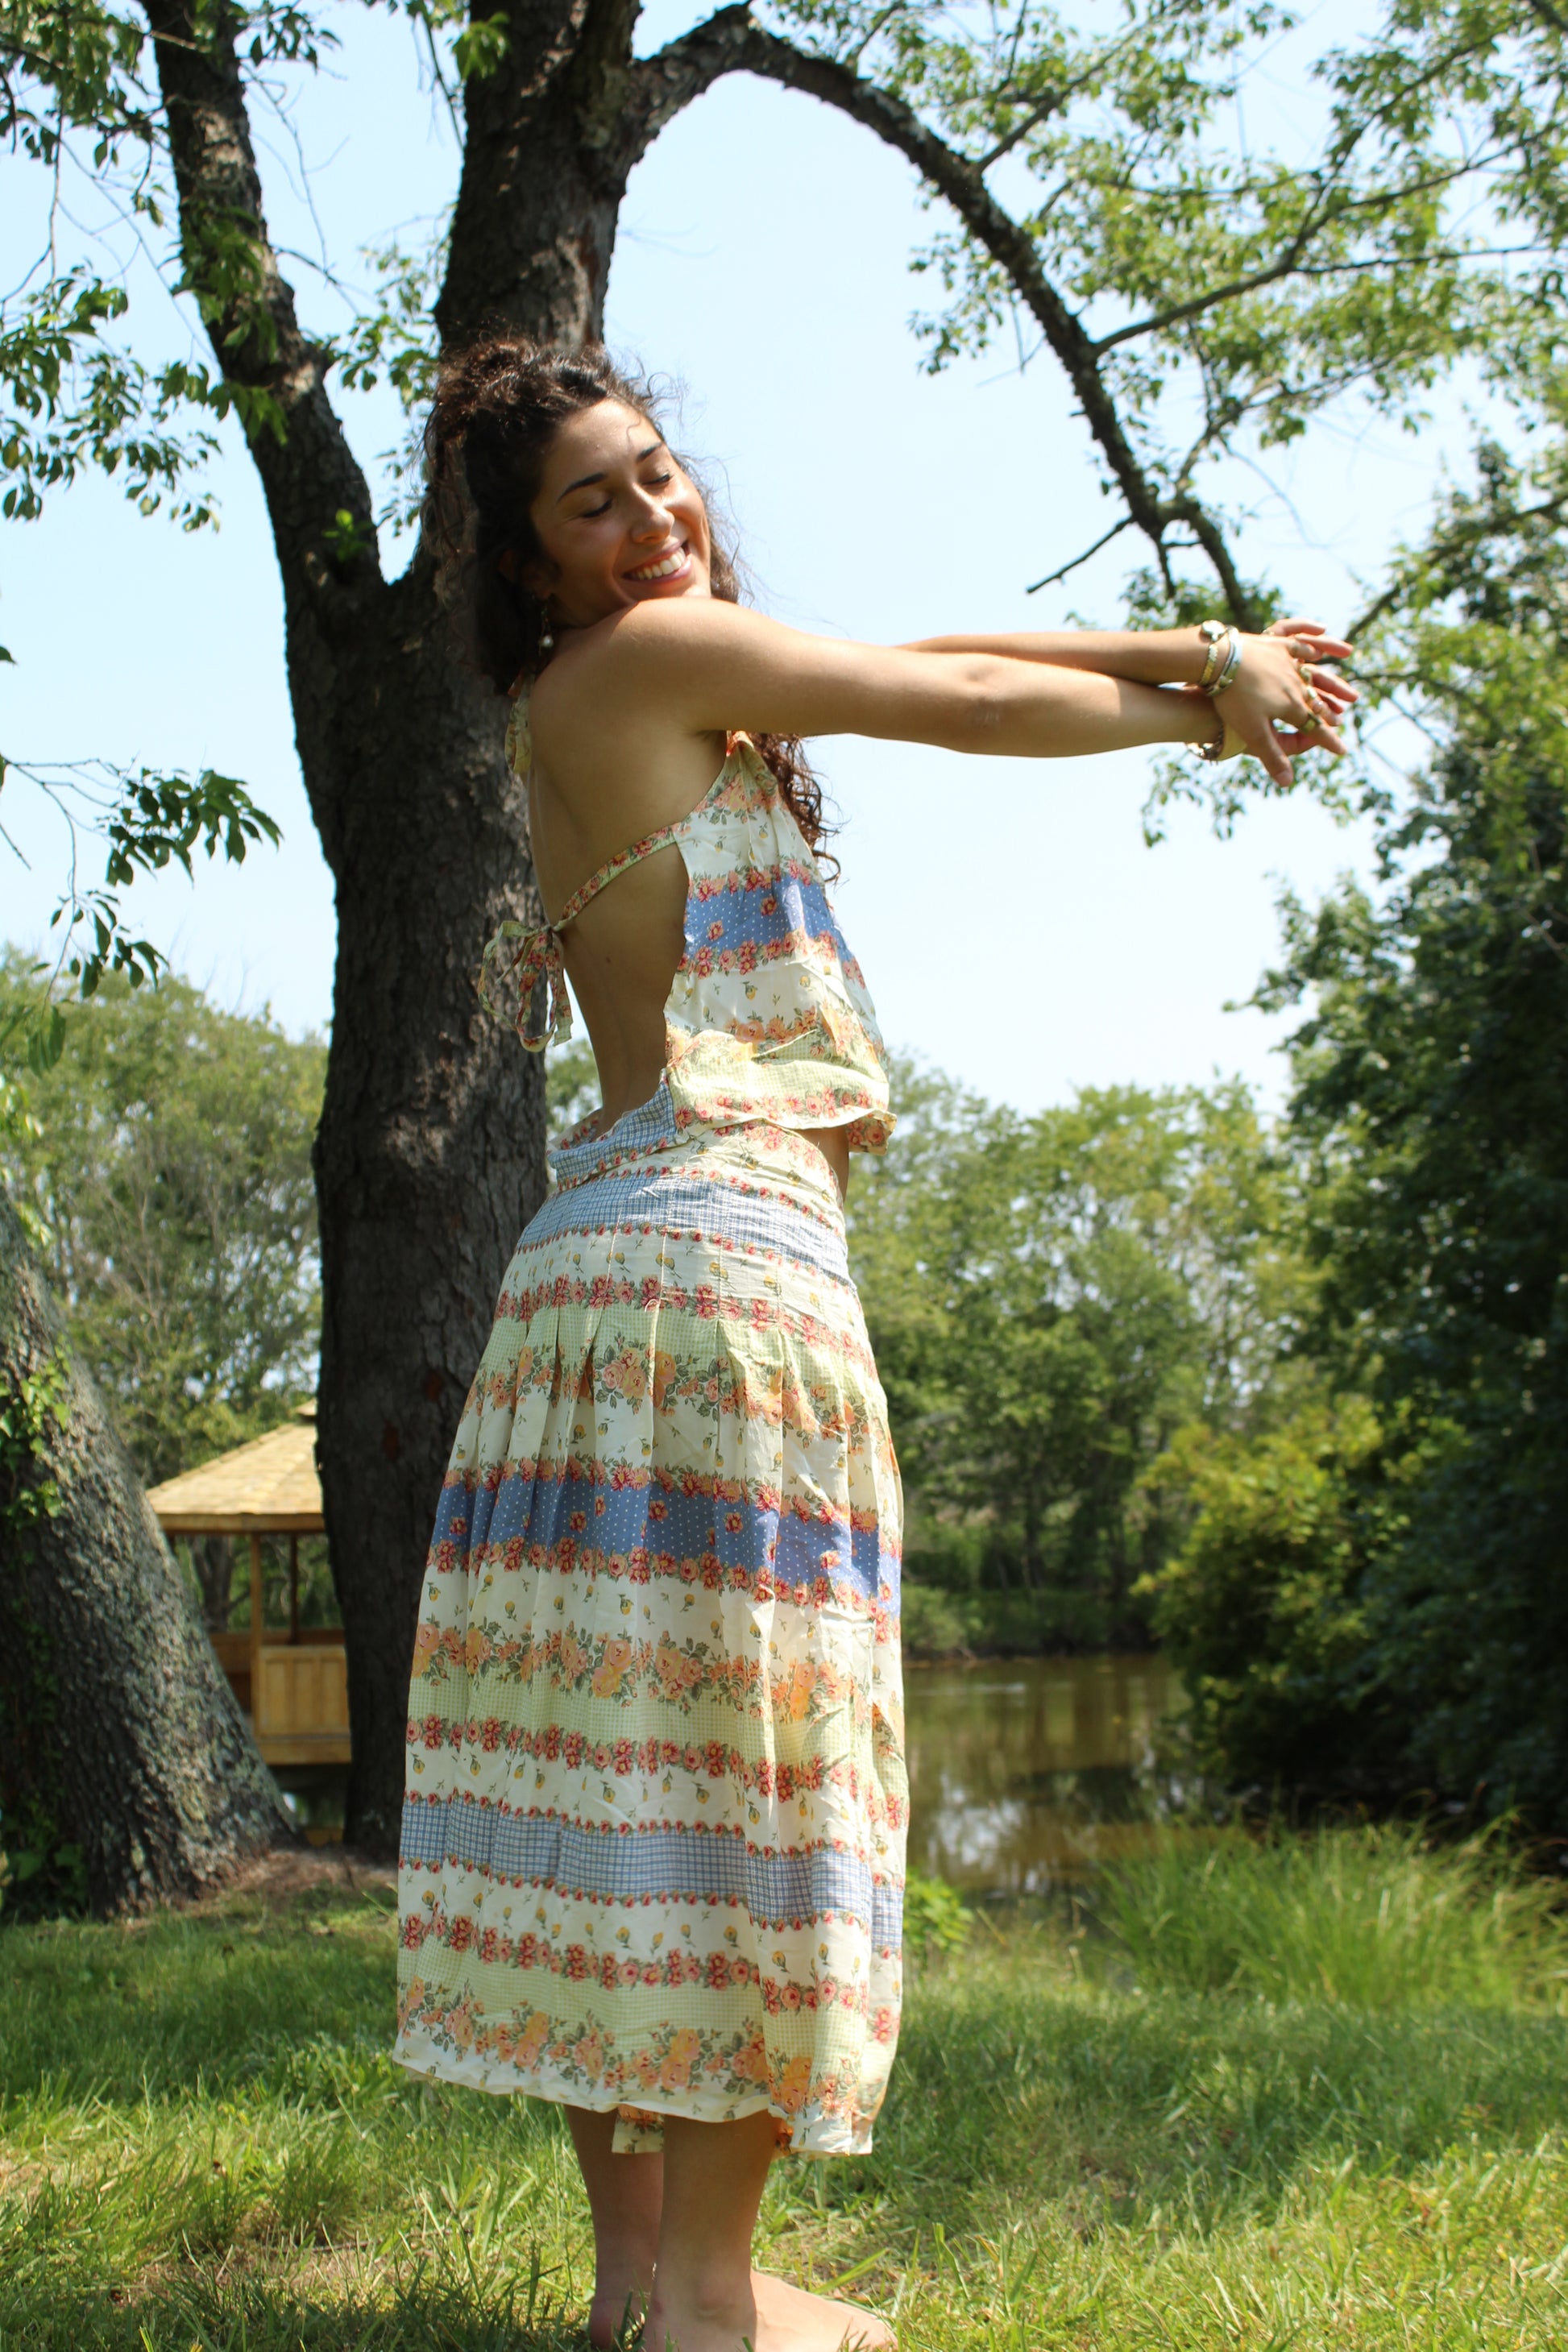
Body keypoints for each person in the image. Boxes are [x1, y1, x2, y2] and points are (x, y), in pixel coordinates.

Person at [393, 339, 1355, 2352]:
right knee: (756, 1779)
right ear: (531, 560)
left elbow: (922, 654)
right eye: (593, 503)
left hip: (600, 1282)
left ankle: (642, 2286)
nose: (650, 517)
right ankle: (715, 2304)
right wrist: (1217, 676)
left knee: (625, 1780)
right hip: (720, 1275)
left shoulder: (620, 692)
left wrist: (1198, 683)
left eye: (658, 473)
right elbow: (967, 698)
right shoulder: (657, 665)